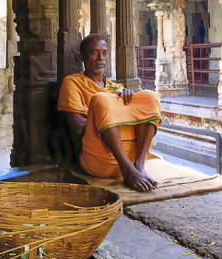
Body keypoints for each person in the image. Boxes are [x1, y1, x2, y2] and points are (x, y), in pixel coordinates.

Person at [58, 34, 163, 192]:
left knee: (149, 96)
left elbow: (136, 116)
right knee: (101, 100)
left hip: (132, 154)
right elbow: (78, 127)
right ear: (82, 56)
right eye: (94, 52)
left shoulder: (116, 88)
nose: (101, 58)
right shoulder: (72, 82)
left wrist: (121, 110)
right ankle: (127, 170)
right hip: (100, 158)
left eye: (105, 53)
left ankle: (139, 166)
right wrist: (107, 117)